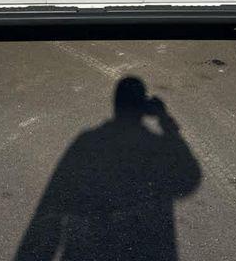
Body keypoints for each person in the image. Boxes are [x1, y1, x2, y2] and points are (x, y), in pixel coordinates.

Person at [14, 77, 201, 261]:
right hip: (145, 246)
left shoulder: (88, 141)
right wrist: (164, 120)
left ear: (116, 105)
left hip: (90, 246)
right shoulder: (158, 147)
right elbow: (189, 179)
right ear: (143, 107)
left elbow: (54, 198)